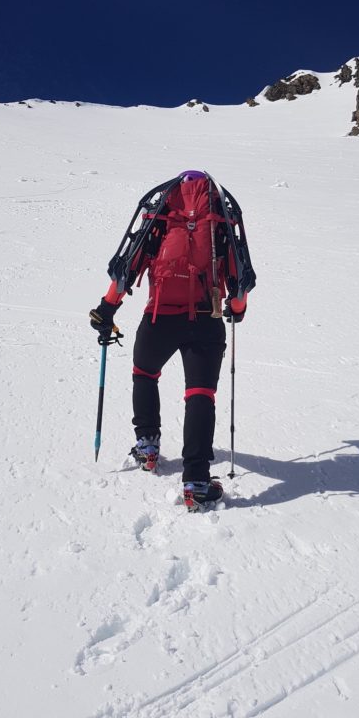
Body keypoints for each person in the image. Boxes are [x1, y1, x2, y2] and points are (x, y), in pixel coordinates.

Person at [89, 170, 255, 511]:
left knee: (144, 373)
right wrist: (236, 309)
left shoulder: (161, 217)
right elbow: (237, 282)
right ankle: (195, 480)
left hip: (159, 317)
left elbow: (128, 269)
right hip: (207, 320)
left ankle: (147, 446)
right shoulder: (219, 219)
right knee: (200, 394)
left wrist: (107, 309)